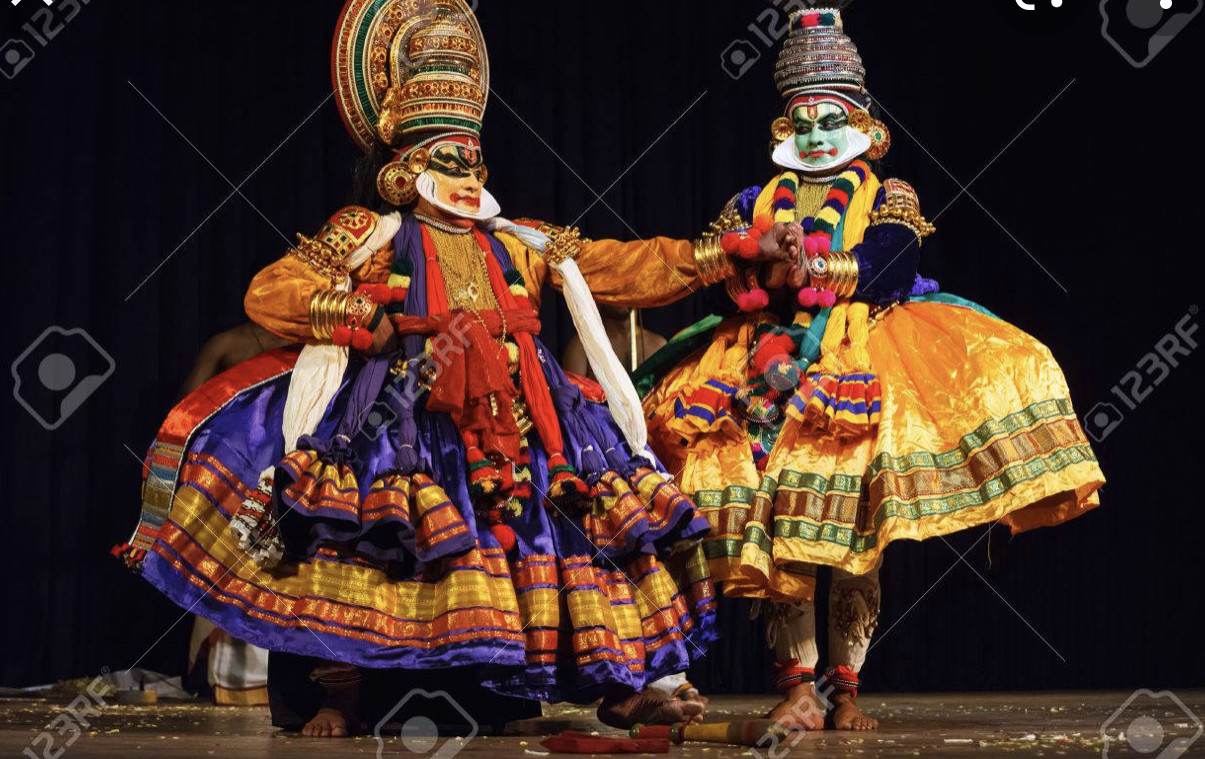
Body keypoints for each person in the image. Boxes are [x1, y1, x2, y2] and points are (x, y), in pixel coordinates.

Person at [113, 0, 803, 736]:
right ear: (404, 170)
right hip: (401, 419)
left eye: (473, 157)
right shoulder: (369, 232)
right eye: (449, 159)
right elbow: (272, 288)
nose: (468, 172)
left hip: (522, 422)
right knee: (367, 543)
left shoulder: (519, 238)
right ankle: (339, 694)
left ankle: (617, 688)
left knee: (565, 539)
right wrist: (352, 316)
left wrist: (726, 252)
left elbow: (619, 265)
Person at [638, 5, 1106, 732]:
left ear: (866, 127)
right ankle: (795, 684)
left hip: (858, 355)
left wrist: (812, 261)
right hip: (759, 364)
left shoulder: (890, 194)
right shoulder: (748, 202)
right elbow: (728, 277)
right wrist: (759, 257)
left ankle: (845, 686)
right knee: (776, 520)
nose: (817, 133)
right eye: (803, 121)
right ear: (782, 130)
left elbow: (891, 264)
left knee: (856, 530)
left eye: (832, 118)